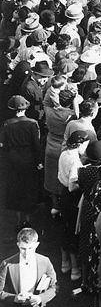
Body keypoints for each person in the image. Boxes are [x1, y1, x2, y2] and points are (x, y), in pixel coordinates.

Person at [0, 228, 57, 307]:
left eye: (30, 248)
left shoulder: (45, 262)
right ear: (18, 245)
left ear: (36, 245)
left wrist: (40, 298)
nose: (26, 253)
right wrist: (14, 298)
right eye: (23, 249)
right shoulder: (7, 265)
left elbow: (54, 287)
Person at [0, 95, 42, 227]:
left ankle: (19, 221)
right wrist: (39, 161)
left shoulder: (7, 124)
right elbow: (37, 145)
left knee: (16, 189)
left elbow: (3, 145)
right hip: (28, 160)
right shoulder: (33, 123)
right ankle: (27, 220)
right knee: (28, 189)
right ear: (25, 108)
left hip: (13, 160)